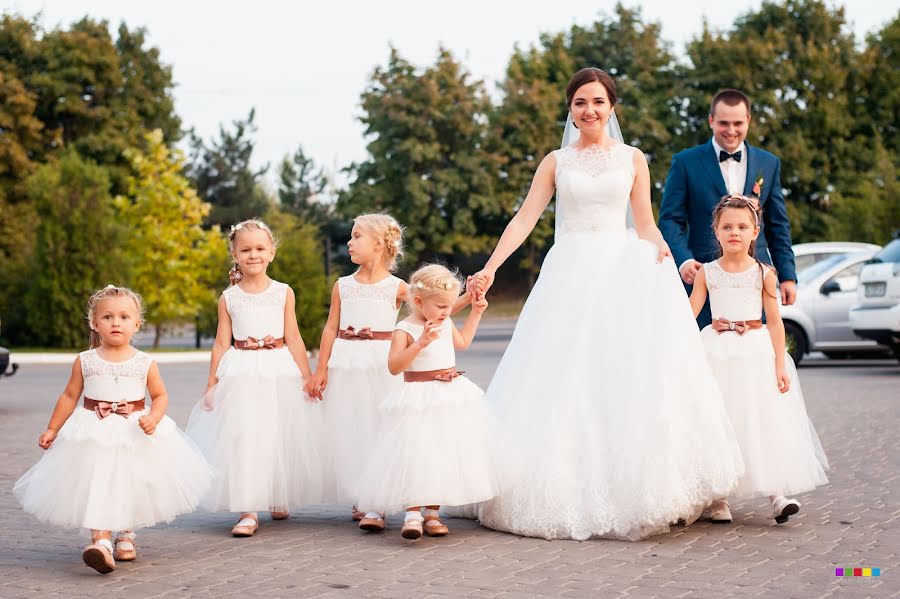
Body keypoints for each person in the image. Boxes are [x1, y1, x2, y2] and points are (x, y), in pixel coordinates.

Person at [470, 67, 744, 541]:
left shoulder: (633, 158)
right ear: (570, 110)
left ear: (611, 106)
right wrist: (492, 266)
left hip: (622, 269)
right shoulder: (556, 162)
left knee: (628, 376)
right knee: (562, 373)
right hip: (570, 270)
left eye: (597, 101)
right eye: (580, 103)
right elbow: (524, 219)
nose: (589, 110)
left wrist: (665, 253)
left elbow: (644, 221)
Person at [13, 285, 211, 573]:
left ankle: (126, 534)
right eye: (107, 317)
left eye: (123, 317)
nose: (115, 322)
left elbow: (160, 396)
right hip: (92, 429)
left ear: (136, 324)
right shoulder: (86, 359)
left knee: (130, 481)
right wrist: (52, 428)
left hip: (133, 431)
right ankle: (101, 542)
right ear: (95, 323)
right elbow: (69, 396)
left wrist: (153, 418)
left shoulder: (144, 362)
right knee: (97, 481)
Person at [689, 195, 828, 524]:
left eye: (741, 226)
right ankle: (718, 499)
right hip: (716, 351)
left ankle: (776, 495)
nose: (734, 232)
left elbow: (775, 321)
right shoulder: (708, 272)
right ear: (716, 231)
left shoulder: (764, 273)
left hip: (754, 353)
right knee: (720, 420)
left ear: (755, 232)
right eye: (727, 227)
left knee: (762, 422)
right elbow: (690, 313)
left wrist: (780, 363)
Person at [186, 219, 323, 537]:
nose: (253, 255)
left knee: (276, 433)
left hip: (277, 370)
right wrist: (212, 383)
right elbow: (221, 343)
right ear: (235, 254)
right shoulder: (229, 298)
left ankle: (276, 493)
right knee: (245, 436)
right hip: (241, 372)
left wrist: (307, 376)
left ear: (272, 252)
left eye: (260, 248)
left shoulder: (283, 293)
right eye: (245, 249)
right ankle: (249, 508)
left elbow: (294, 337)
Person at [355, 264, 499, 540]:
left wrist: (477, 312)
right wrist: (420, 343)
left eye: (448, 306)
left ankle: (432, 512)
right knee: (415, 452)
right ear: (419, 302)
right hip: (418, 396)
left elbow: (463, 342)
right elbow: (395, 366)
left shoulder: (444, 322)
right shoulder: (405, 328)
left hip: (448, 395)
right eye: (441, 306)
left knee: (442, 451)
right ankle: (412, 513)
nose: (447, 311)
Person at [659, 88, 797, 327]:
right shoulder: (685, 162)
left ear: (748, 121)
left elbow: (778, 225)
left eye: (737, 123)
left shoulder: (769, 163)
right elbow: (670, 220)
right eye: (723, 123)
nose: (731, 131)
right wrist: (683, 261)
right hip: (703, 277)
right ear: (711, 121)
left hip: (755, 281)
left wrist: (787, 276)